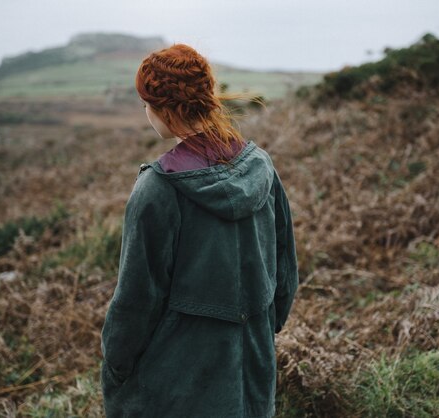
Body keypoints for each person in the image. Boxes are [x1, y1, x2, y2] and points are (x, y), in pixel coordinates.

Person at [100, 43, 299, 418]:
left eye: (147, 104)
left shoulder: (158, 189)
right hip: (252, 372)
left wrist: (116, 367)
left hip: (178, 385)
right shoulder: (261, 165)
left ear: (164, 110)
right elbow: (285, 270)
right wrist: (260, 331)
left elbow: (135, 301)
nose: (146, 113)